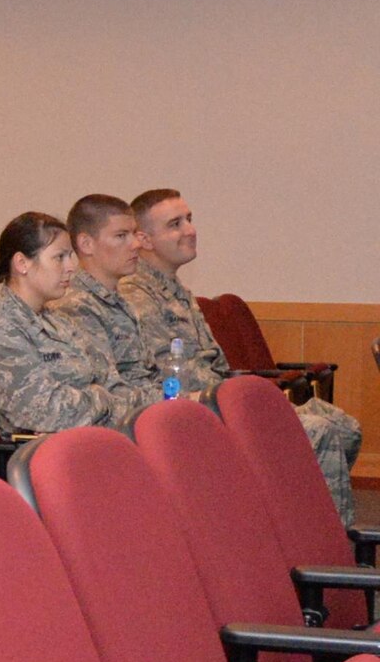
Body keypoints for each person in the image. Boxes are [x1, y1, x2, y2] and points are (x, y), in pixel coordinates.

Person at [125, 188, 361, 522]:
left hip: (223, 402)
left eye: (189, 219)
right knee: (317, 431)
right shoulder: (138, 298)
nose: (190, 230)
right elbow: (174, 379)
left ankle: (296, 525)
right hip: (198, 414)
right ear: (144, 239)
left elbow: (216, 366)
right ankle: (332, 551)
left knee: (344, 426)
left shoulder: (177, 291)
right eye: (175, 224)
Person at [0, 212, 149, 436]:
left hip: (99, 434)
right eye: (59, 257)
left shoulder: (58, 319)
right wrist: (102, 398)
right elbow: (46, 412)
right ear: (22, 263)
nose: (71, 266)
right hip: (50, 454)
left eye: (70, 256)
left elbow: (111, 380)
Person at [51, 194, 165, 392]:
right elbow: (110, 391)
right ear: (86, 244)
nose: (136, 244)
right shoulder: (75, 306)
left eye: (134, 233)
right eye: (121, 236)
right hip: (128, 416)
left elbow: (145, 374)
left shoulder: (119, 300)